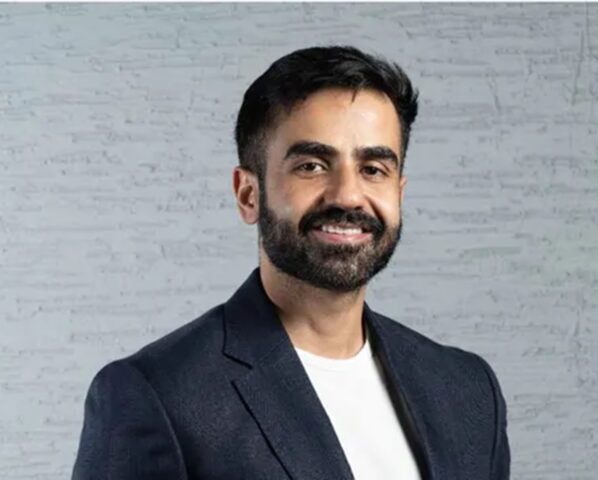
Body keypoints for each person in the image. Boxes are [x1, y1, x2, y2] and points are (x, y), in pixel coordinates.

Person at [71, 45, 510, 480]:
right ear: (248, 194)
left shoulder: (467, 390)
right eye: (312, 166)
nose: (348, 196)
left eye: (373, 169)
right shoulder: (157, 396)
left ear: (399, 191)